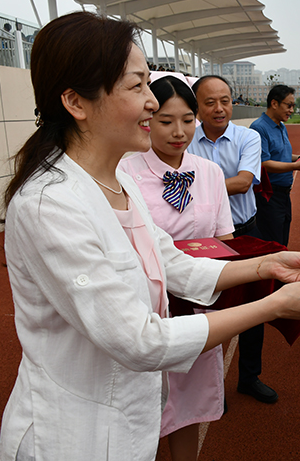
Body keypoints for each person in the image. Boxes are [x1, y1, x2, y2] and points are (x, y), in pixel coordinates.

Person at [0, 12, 300, 461]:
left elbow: (169, 262)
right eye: (136, 86)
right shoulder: (51, 204)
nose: (153, 103)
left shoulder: (114, 178)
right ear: (76, 102)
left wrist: (266, 265)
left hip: (122, 423)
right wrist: (272, 304)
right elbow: (140, 340)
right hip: (71, 434)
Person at [118, 75, 232, 461]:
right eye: (166, 121)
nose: (179, 132)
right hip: (142, 306)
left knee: (186, 406)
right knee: (139, 406)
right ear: (147, 118)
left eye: (188, 120)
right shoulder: (124, 173)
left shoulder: (211, 173)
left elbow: (223, 241)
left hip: (196, 303)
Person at [187, 75, 278, 404]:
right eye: (209, 102)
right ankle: (209, 387)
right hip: (204, 239)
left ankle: (249, 377)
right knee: (207, 311)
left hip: (244, 232)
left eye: (225, 100)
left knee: (254, 309)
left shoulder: (248, 137)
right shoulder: (187, 139)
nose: (219, 108)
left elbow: (243, 183)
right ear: (197, 107)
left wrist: (195, 185)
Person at [250, 84, 300, 247]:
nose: (292, 110)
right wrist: (296, 166)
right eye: (289, 105)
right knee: (272, 243)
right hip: (269, 195)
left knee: (282, 240)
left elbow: (281, 156)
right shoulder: (259, 128)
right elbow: (264, 163)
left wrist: (299, 158)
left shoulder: (281, 126)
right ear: (274, 104)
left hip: (284, 195)